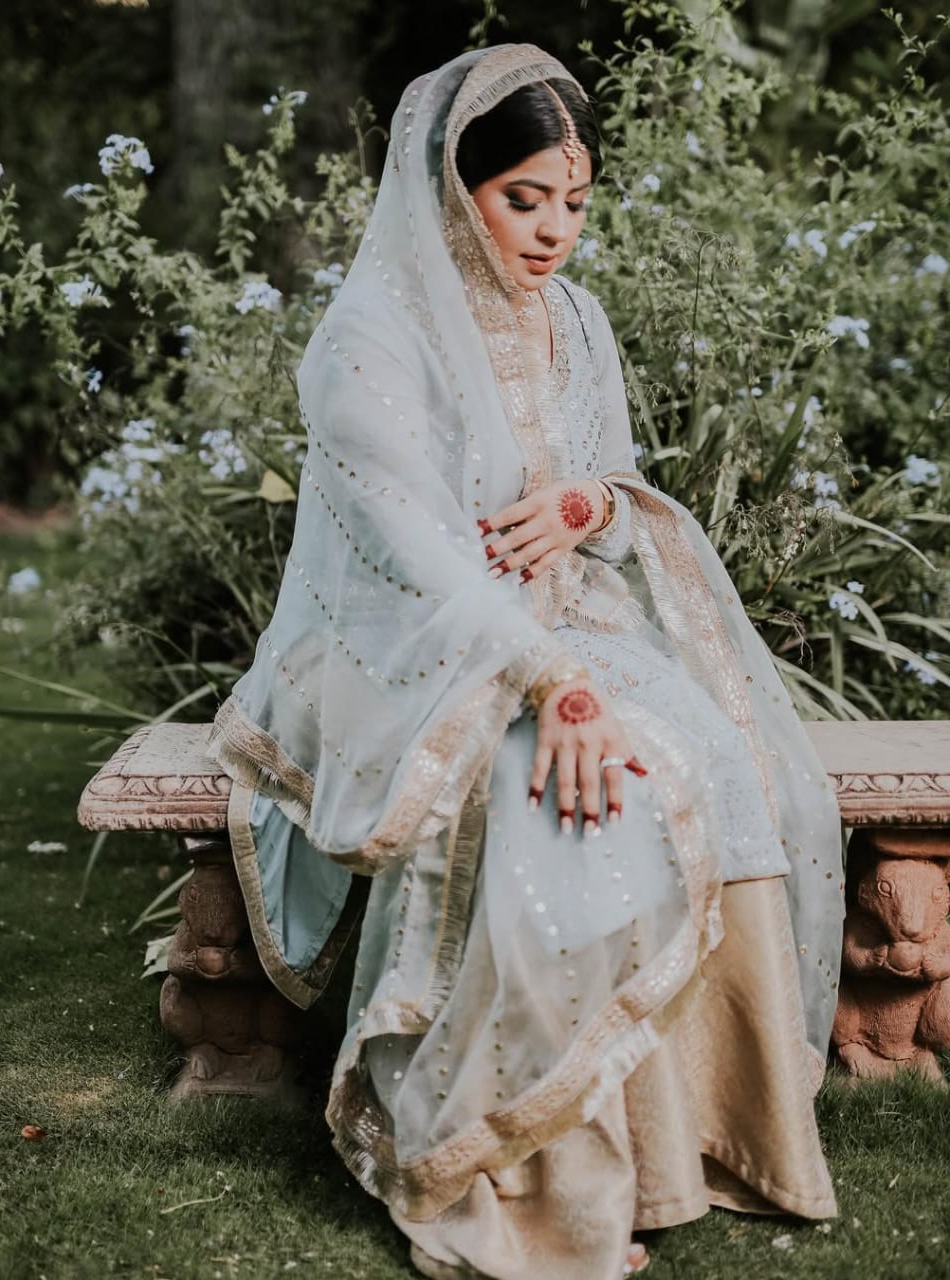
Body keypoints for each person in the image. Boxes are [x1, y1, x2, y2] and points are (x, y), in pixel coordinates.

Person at [208, 43, 845, 1280]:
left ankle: (704, 1150)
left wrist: (584, 514)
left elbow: (600, 479)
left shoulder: (571, 319)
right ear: (454, 185)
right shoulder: (368, 340)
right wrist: (551, 686)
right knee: (565, 802)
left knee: (709, 754)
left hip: (569, 624)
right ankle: (504, 1164)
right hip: (410, 654)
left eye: (574, 201)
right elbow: (413, 555)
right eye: (524, 199)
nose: (554, 230)